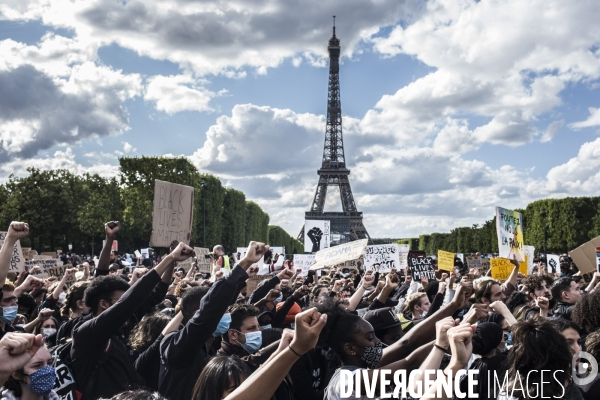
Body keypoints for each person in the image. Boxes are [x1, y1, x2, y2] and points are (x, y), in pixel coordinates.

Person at [70, 223, 192, 399]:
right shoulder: (86, 334)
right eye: (120, 300)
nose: (126, 304)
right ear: (103, 304)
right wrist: (168, 258)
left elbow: (156, 293)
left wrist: (172, 260)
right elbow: (130, 300)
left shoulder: (118, 338)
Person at [158, 241, 269, 400]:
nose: (227, 316)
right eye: (222, 312)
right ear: (199, 313)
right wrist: (243, 264)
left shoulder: (210, 348)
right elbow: (210, 309)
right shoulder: (177, 348)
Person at [495, 317, 583, 400]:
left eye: (579, 342)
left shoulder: (509, 389)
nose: (577, 349)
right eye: (568, 343)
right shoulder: (564, 386)